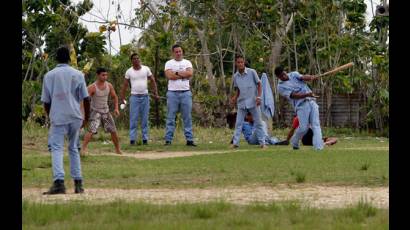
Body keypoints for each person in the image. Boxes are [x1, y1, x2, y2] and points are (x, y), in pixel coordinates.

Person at [41, 46, 90, 195]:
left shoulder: (49, 76)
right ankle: (78, 184)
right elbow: (86, 98)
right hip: (75, 116)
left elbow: (46, 102)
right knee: (73, 148)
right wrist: (86, 117)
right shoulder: (78, 74)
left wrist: (51, 116)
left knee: (56, 148)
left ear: (56, 58)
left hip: (58, 116)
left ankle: (59, 183)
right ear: (69, 58)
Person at [275, 66, 324, 150]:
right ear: (278, 77)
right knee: (303, 128)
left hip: (311, 101)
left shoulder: (293, 74)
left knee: (316, 124)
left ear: (285, 71)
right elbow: (293, 96)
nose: (284, 77)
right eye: (281, 76)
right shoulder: (280, 87)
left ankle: (318, 148)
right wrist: (307, 94)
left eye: (284, 74)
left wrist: (309, 77)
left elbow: (302, 77)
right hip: (301, 105)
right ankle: (294, 141)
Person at [81, 67, 122, 155]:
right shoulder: (92, 87)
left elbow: (115, 97)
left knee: (113, 130)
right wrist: (83, 112)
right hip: (95, 111)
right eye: (103, 75)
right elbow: (84, 100)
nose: (105, 77)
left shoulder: (109, 85)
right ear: (98, 75)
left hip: (106, 111)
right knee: (91, 130)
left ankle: (118, 149)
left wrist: (116, 108)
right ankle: (83, 149)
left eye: (106, 75)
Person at [120, 53, 159, 145]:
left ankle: (145, 139)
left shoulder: (146, 69)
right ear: (132, 61)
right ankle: (132, 139)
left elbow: (152, 80)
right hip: (134, 97)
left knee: (144, 119)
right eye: (134, 59)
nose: (136, 60)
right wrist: (122, 98)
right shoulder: (129, 71)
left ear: (140, 59)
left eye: (138, 58)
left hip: (145, 96)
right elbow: (125, 85)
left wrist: (155, 93)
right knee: (133, 119)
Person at [164, 44, 197, 146]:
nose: (178, 53)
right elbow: (169, 76)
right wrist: (183, 74)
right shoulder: (169, 63)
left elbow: (190, 74)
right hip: (172, 93)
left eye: (180, 51)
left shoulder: (187, 62)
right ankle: (168, 140)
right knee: (170, 117)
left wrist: (176, 73)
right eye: (176, 51)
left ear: (182, 52)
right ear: (173, 53)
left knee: (187, 117)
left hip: (185, 93)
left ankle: (190, 140)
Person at [230, 55, 266, 148]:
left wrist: (259, 97)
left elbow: (259, 84)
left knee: (258, 122)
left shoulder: (252, 72)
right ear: (236, 63)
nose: (240, 64)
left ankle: (263, 143)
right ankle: (235, 143)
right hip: (242, 103)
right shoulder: (235, 76)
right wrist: (234, 98)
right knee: (238, 123)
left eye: (242, 62)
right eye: (238, 62)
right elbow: (238, 90)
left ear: (244, 62)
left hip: (253, 101)